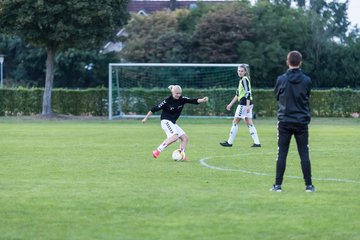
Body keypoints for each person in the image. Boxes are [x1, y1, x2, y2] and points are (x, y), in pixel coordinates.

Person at [270, 50, 315, 192]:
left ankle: (277, 186)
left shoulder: (281, 79)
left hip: (284, 122)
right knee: (304, 153)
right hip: (301, 122)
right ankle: (308, 186)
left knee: (282, 153)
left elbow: (277, 96)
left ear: (287, 62)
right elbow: (307, 96)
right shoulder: (307, 80)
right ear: (300, 62)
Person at [142, 85, 208, 159]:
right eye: (177, 93)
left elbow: (193, 100)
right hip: (165, 121)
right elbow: (154, 109)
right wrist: (145, 118)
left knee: (185, 138)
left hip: (172, 122)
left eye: (180, 93)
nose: (178, 95)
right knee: (175, 136)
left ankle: (181, 154)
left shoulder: (182, 99)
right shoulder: (167, 101)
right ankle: (157, 151)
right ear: (172, 92)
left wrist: (202, 100)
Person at [220, 64, 261, 148]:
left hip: (244, 104)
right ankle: (257, 143)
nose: (240, 72)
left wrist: (248, 106)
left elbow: (248, 93)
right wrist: (230, 104)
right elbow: (238, 94)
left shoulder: (244, 80)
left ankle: (229, 142)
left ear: (245, 72)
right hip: (246, 103)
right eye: (239, 71)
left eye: (242, 71)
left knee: (235, 122)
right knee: (249, 123)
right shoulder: (242, 80)